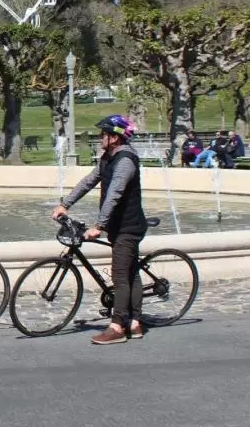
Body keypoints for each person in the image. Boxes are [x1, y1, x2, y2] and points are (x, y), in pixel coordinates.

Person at [52, 115, 147, 345]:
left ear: (115, 137)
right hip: (118, 225)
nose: (100, 138)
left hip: (128, 226)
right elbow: (88, 181)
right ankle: (135, 323)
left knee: (120, 276)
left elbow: (114, 193)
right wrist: (65, 204)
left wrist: (98, 226)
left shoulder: (125, 160)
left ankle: (117, 327)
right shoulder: (108, 157)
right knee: (131, 272)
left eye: (103, 134)